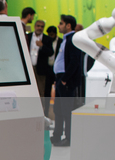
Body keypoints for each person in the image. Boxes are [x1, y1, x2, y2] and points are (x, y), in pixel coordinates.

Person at [52, 14, 82, 147]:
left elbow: (75, 61)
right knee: (58, 109)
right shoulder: (65, 40)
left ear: (68, 25)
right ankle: (57, 134)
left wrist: (65, 79)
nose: (59, 26)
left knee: (66, 110)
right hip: (60, 79)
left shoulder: (73, 40)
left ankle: (69, 138)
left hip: (66, 80)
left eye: (61, 23)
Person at [27, 20, 54, 98]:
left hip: (41, 69)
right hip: (29, 68)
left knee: (40, 91)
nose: (40, 28)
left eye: (42, 26)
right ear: (35, 26)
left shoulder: (47, 39)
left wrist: (42, 46)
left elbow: (51, 52)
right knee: (29, 90)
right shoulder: (28, 37)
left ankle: (41, 109)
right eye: (38, 26)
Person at [44, 25, 62, 117]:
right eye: (49, 35)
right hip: (48, 69)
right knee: (46, 93)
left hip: (57, 71)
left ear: (55, 34)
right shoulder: (46, 41)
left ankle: (57, 113)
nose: (50, 36)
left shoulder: (61, 42)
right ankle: (46, 113)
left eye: (52, 35)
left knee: (58, 92)